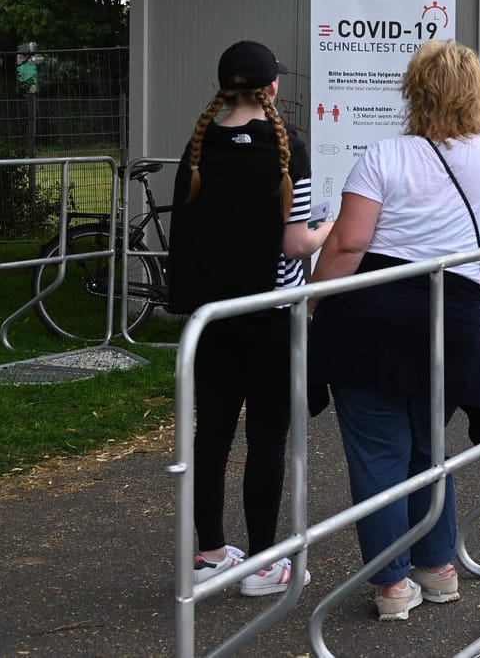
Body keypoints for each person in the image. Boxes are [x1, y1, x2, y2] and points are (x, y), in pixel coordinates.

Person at [308, 40, 480, 621]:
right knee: (428, 447)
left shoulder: (383, 156)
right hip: (452, 319)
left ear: (413, 94)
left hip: (368, 319)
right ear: (477, 94)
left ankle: (392, 585)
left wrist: (312, 301)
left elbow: (348, 243)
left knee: (377, 453)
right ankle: (438, 567)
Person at [168, 40, 327, 597]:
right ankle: (263, 564)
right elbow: (295, 244)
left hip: (210, 319)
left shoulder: (197, 147)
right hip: (271, 316)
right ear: (272, 88)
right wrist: (331, 229)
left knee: (210, 435)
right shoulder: (290, 150)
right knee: (266, 442)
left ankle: (209, 553)